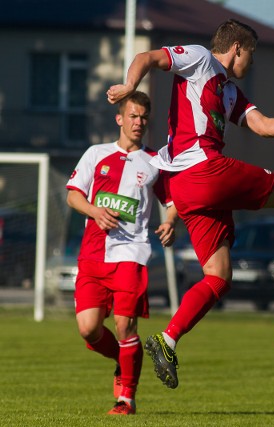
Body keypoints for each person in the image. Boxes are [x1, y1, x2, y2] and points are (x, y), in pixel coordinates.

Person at [106, 19, 274, 389]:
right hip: (202, 170)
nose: (251, 63)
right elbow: (148, 56)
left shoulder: (229, 92)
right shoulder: (201, 59)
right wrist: (129, 85)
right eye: (250, 54)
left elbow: (263, 125)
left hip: (188, 190)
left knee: (219, 277)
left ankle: (168, 340)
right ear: (237, 47)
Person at [66, 91, 178, 415]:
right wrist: (94, 211)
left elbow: (172, 205)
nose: (138, 122)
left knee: (125, 326)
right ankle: (123, 357)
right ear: (120, 119)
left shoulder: (155, 161)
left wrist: (170, 223)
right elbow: (73, 195)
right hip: (93, 255)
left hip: (132, 253)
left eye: (144, 117)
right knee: (88, 329)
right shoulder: (95, 154)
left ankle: (125, 399)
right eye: (133, 116)